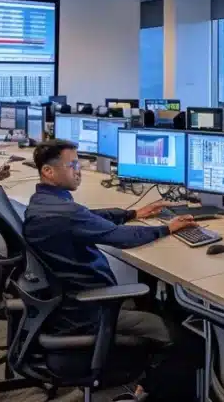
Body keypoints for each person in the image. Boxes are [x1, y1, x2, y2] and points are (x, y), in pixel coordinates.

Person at [23, 139, 199, 400]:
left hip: (66, 306)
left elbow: (90, 217)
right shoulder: (65, 212)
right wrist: (166, 228)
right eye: (72, 165)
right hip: (87, 311)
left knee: (151, 299)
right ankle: (151, 389)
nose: (79, 170)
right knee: (187, 339)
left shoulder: (45, 202)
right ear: (48, 172)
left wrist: (132, 213)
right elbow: (120, 237)